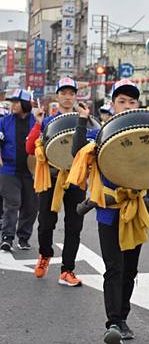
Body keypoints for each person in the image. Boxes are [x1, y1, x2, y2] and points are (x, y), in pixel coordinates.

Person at [70, 79, 148, 344]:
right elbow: (77, 152)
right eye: (122, 101)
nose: (127, 105)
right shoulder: (102, 133)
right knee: (114, 268)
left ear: (138, 104)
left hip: (136, 210)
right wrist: (82, 120)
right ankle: (113, 321)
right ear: (112, 105)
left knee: (131, 269)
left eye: (132, 101)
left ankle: (122, 317)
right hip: (108, 211)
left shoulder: (145, 134)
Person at [25, 77, 86, 286]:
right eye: (64, 93)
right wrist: (39, 123)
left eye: (71, 93)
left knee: (74, 225)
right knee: (45, 224)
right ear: (57, 95)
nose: (68, 97)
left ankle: (67, 270)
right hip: (51, 178)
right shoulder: (49, 120)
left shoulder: (84, 119)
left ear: (76, 96)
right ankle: (45, 254)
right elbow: (30, 148)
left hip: (76, 180)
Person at [0, 89, 37, 251]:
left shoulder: (36, 121)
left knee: (31, 206)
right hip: (9, 169)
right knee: (12, 203)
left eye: (16, 102)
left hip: (32, 171)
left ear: (26, 104)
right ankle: (7, 237)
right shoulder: (4, 121)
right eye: (12, 102)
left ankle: (24, 237)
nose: (13, 105)